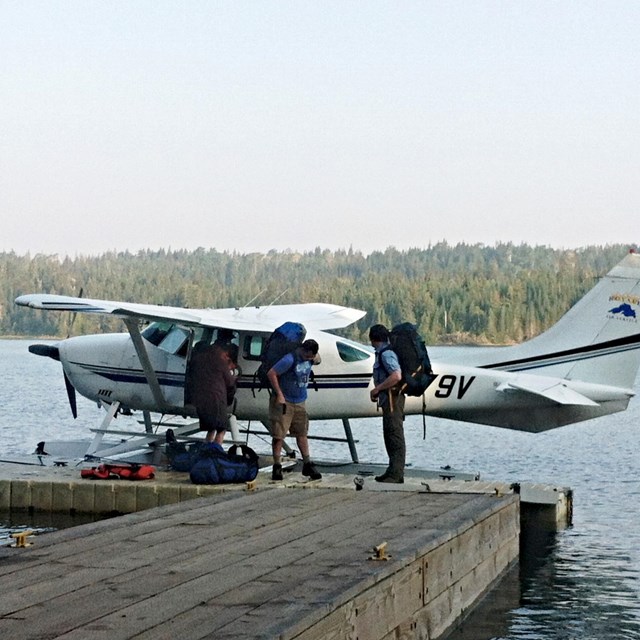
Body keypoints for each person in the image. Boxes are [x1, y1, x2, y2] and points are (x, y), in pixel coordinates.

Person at [267, 338, 322, 481]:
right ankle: (277, 465)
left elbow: (318, 359)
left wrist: (313, 358)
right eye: (307, 356)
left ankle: (307, 463)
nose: (309, 359)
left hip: (300, 400)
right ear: (303, 351)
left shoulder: (312, 358)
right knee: (279, 435)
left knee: (302, 432)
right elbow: (271, 373)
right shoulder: (289, 359)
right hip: (285, 400)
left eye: (311, 357)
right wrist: (279, 394)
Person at [369, 324, 405, 483]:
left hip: (393, 400)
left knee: (394, 434)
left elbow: (396, 375)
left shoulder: (386, 354)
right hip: (388, 400)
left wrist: (378, 388)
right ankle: (392, 470)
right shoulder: (384, 353)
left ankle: (396, 474)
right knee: (389, 434)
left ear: (373, 338)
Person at [185, 340, 238, 444]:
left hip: (199, 399)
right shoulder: (219, 360)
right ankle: (216, 451)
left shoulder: (198, 359)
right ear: (221, 351)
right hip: (216, 399)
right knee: (221, 429)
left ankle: (207, 449)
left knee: (211, 428)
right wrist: (234, 378)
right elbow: (230, 382)